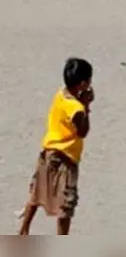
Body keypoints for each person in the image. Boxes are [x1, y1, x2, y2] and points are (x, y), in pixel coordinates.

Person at [18, 57, 94, 236]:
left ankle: (23, 230)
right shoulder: (76, 108)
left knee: (37, 192)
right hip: (65, 158)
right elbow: (83, 132)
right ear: (83, 84)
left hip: (47, 153)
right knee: (66, 205)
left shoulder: (61, 94)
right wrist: (86, 105)